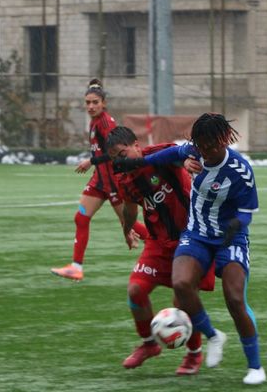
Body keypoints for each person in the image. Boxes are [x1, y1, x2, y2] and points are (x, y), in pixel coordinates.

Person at [114, 113, 266, 386]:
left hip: (230, 239)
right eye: (200, 146)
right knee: (181, 283)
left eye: (210, 146)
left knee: (234, 299)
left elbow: (247, 213)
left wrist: (234, 226)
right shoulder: (193, 151)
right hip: (196, 234)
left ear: (222, 140)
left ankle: (255, 366)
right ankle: (213, 336)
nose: (204, 151)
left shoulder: (241, 170)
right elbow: (161, 157)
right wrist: (141, 162)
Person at [107, 125, 215, 374]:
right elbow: (131, 208)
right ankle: (148, 344)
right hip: (158, 243)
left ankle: (194, 353)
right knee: (136, 290)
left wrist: (187, 162)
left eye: (123, 155)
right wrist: (126, 228)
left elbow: (184, 153)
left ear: (136, 144)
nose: (120, 162)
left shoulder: (158, 155)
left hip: (191, 239)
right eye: (115, 159)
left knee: (182, 299)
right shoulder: (124, 178)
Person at [51, 79, 141, 282]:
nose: (90, 106)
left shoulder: (106, 123)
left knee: (129, 223)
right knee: (81, 218)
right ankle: (76, 267)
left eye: (95, 102)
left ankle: (170, 244)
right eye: (88, 102)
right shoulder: (95, 122)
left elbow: (115, 153)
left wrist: (90, 161)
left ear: (104, 103)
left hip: (112, 181)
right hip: (99, 181)